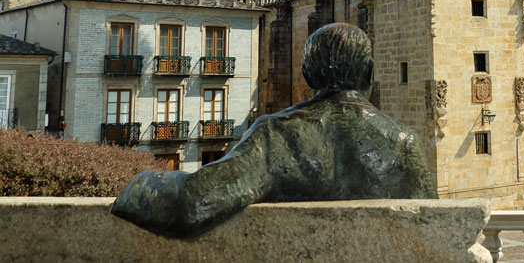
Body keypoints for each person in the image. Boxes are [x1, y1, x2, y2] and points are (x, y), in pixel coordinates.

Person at [112, 23, 436, 238]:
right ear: (368, 73)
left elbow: (191, 203)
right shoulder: (405, 143)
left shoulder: (276, 133)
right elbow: (431, 230)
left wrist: (143, 180)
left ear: (308, 75)